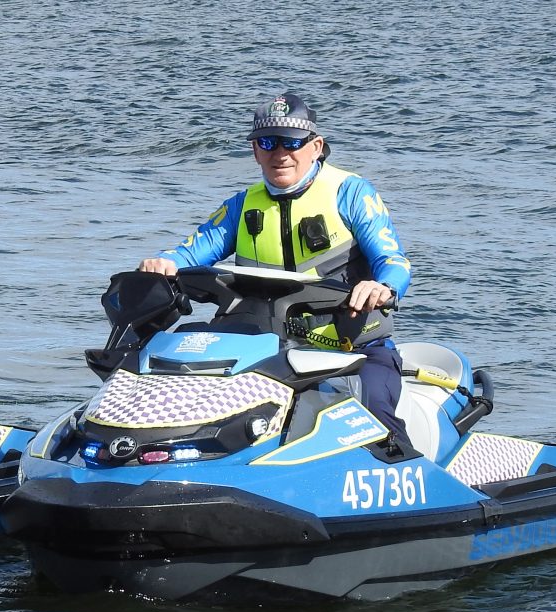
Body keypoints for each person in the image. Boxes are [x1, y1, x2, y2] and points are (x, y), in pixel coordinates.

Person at [139, 92, 414, 449]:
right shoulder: (241, 206)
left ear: (316, 147)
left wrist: (383, 287)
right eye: (267, 143)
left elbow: (394, 261)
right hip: (268, 351)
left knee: (374, 413)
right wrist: (163, 264)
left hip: (353, 350)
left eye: (291, 142)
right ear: (255, 152)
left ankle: (407, 464)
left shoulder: (350, 193)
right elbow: (192, 252)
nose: (280, 154)